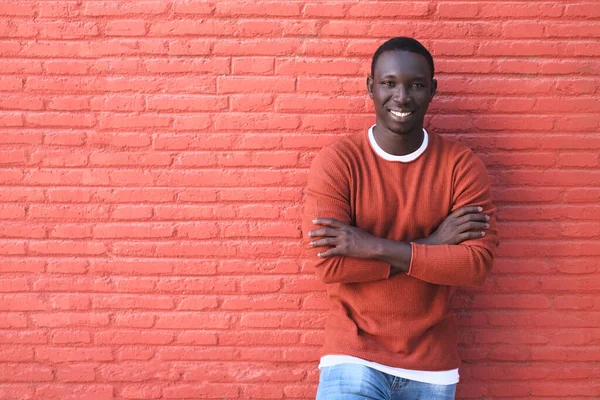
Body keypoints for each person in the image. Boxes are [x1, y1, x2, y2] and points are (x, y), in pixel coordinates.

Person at [302, 37, 499, 400]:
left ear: (433, 90)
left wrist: (371, 247)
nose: (402, 97)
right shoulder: (339, 162)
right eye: (389, 83)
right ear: (370, 87)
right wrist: (434, 245)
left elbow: (474, 265)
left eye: (416, 85)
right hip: (353, 354)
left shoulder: (461, 166)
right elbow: (329, 266)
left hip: (432, 365)